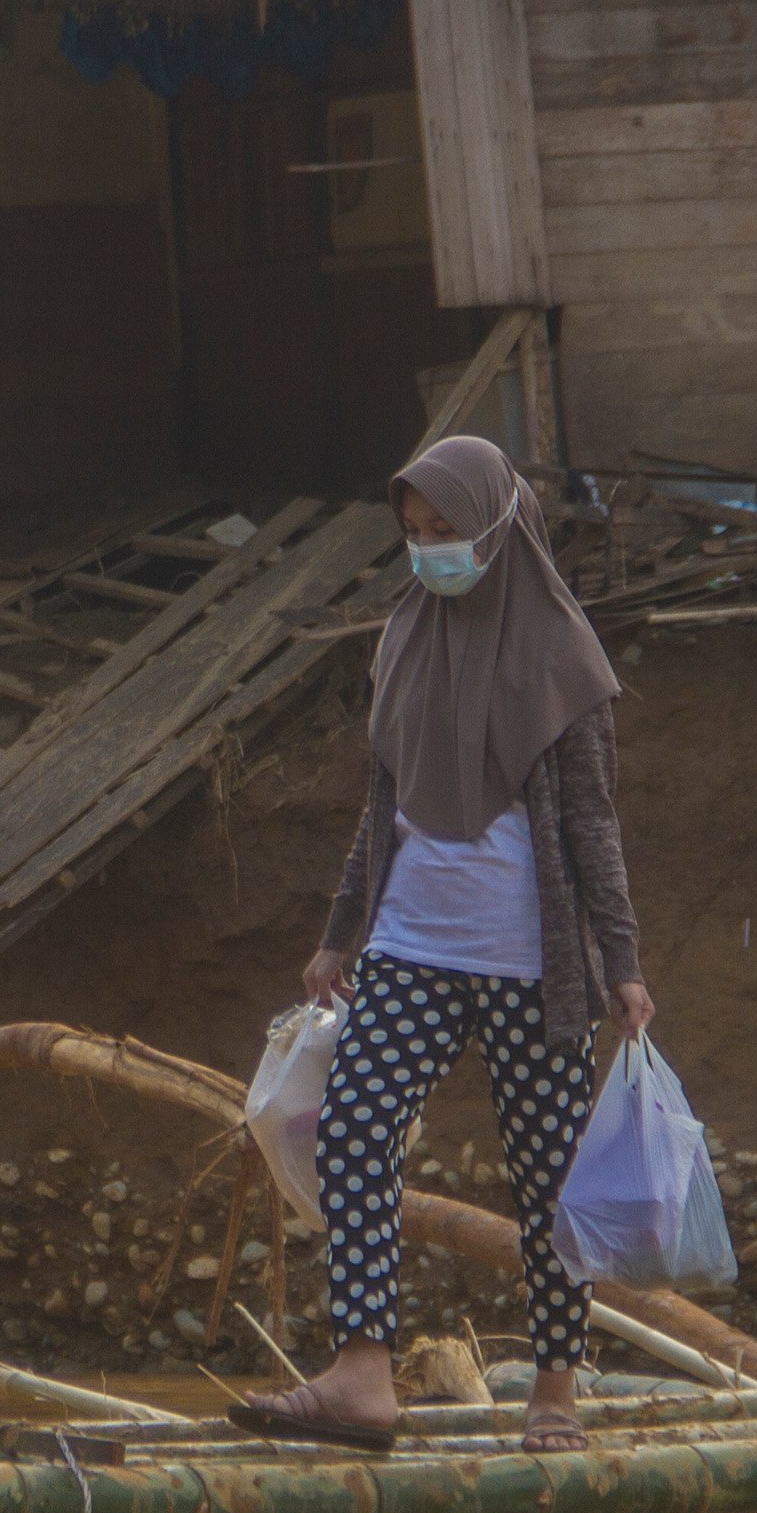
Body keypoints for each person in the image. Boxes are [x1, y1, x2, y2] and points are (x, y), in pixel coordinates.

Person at [232, 434, 653, 1457]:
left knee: (548, 1175)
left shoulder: (563, 659)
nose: (432, 551)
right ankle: (362, 1373)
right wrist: (341, 933)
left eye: (448, 529)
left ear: (501, 524)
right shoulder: (404, 640)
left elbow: (592, 825)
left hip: (533, 963)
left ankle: (553, 1388)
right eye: (416, 533)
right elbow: (380, 809)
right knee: (352, 1128)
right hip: (411, 942)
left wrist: (622, 962)